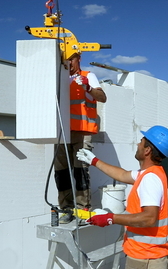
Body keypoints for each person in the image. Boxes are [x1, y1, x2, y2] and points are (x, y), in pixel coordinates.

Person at [76, 125, 168, 269]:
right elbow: (122, 174)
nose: (138, 144)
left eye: (141, 142)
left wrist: (110, 218)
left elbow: (149, 218)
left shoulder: (150, 179)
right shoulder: (150, 173)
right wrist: (94, 161)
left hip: (146, 259)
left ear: (147, 150)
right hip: (147, 256)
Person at [55, 52, 107, 224]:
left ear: (79, 59)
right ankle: (66, 209)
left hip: (82, 131)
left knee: (80, 170)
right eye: (66, 59)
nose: (69, 62)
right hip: (62, 131)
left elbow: (102, 98)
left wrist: (88, 88)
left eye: (72, 58)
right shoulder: (59, 77)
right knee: (61, 172)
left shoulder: (88, 76)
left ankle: (82, 209)